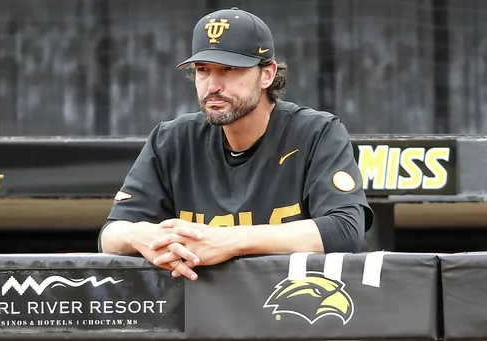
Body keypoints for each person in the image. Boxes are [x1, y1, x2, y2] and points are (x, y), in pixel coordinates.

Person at [98, 6, 373, 281]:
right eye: (203, 70)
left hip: (291, 309)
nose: (212, 85)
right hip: (203, 310)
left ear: (267, 74)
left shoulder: (316, 132)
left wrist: (227, 241)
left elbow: (345, 230)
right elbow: (110, 234)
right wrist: (145, 237)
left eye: (229, 69)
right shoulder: (172, 139)